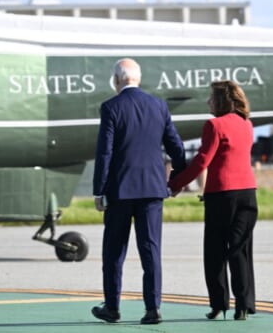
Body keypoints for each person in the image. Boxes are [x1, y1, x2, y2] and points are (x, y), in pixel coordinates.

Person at [91, 58, 186, 325]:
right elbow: (175, 147)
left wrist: (99, 190)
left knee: (113, 252)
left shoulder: (111, 107)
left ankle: (112, 307)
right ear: (138, 79)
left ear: (116, 80)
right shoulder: (159, 106)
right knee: (150, 250)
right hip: (153, 190)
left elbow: (105, 151)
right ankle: (153, 307)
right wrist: (177, 178)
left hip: (120, 190)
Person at [168, 80, 258, 321]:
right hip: (248, 193)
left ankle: (219, 304)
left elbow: (201, 161)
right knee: (240, 250)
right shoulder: (247, 124)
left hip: (222, 195)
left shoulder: (214, 125)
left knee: (215, 251)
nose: (208, 101)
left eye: (211, 97)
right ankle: (243, 304)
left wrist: (175, 184)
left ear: (220, 101)